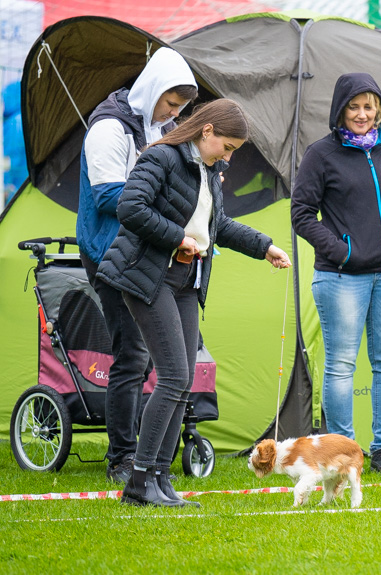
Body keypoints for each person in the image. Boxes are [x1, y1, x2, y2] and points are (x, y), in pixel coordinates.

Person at [97, 99, 292, 507]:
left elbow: (216, 225)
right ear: (207, 132)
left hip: (185, 281)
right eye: (228, 146)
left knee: (183, 382)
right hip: (147, 277)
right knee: (172, 376)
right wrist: (176, 238)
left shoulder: (206, 170)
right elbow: (129, 207)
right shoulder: (163, 158)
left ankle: (160, 478)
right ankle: (138, 481)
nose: (229, 155)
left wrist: (265, 247)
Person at [76, 47, 198, 483]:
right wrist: (159, 195)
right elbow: (110, 196)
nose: (174, 113)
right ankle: (122, 459)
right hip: (110, 252)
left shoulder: (159, 127)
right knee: (131, 356)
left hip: (147, 253)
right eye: (170, 103)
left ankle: (151, 459)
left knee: (153, 361)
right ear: (152, 90)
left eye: (181, 107)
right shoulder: (109, 128)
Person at [291, 73, 381, 476]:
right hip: (342, 278)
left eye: (369, 107)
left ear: (379, 109)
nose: (362, 115)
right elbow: (300, 215)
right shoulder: (320, 154)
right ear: (340, 111)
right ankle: (343, 452)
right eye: (354, 107)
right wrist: (340, 250)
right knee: (342, 366)